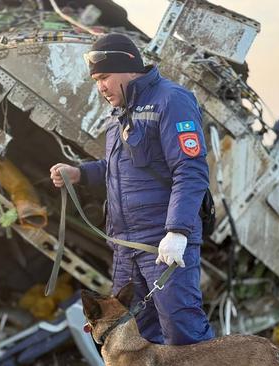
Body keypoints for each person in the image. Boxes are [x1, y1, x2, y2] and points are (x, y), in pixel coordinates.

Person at [50, 33, 214, 345]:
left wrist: (177, 232)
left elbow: (190, 169)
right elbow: (118, 169)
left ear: (129, 67)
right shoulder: (119, 114)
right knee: (133, 339)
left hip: (162, 245)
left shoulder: (172, 100)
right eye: (96, 80)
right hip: (126, 249)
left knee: (184, 334)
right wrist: (79, 173)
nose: (101, 87)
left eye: (105, 77)